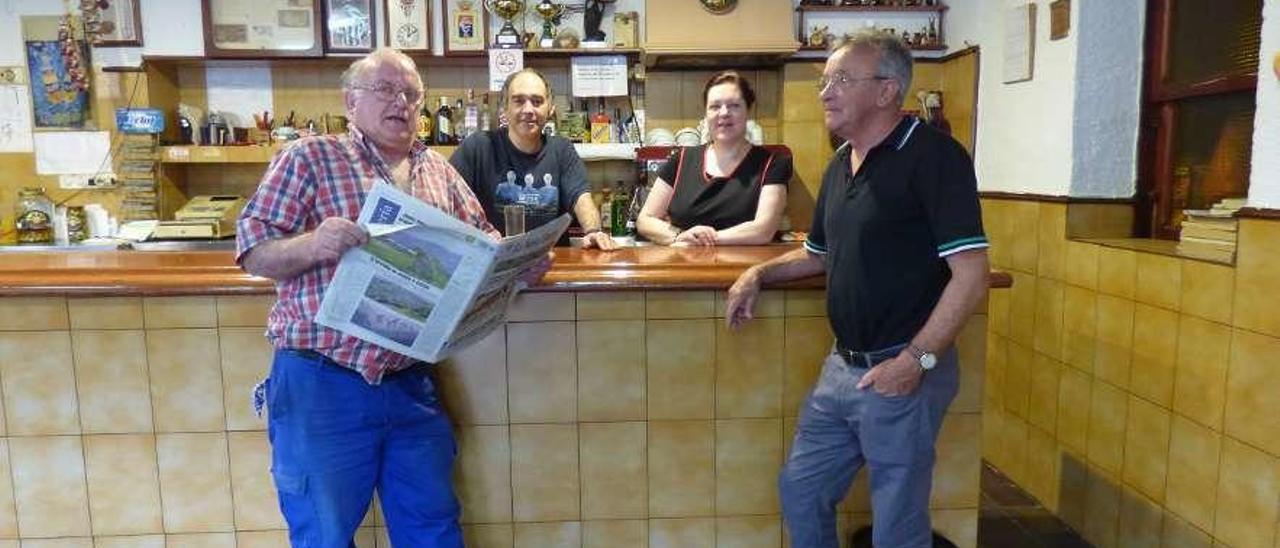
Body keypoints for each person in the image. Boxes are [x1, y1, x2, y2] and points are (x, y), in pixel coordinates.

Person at [236, 48, 548, 547]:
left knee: (433, 530)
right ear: (350, 100)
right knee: (324, 535)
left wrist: (517, 265)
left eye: (410, 93)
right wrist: (313, 243)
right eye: (385, 89)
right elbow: (253, 250)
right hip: (322, 381)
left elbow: (483, 243)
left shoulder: (439, 171)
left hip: (410, 383)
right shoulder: (310, 158)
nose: (400, 102)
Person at [724, 30, 989, 548]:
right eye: (825, 80)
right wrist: (758, 273)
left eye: (841, 79)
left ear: (888, 90)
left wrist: (917, 361)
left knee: (896, 523)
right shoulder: (840, 164)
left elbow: (972, 273)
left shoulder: (935, 157)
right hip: (841, 370)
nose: (825, 91)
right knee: (801, 489)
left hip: (901, 371)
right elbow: (814, 255)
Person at [450, 68, 618, 250]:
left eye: (537, 101)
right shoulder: (477, 148)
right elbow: (446, 199)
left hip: (550, 268)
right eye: (519, 101)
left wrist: (593, 230)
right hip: (493, 267)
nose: (528, 109)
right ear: (504, 109)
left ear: (550, 109)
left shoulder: (562, 150)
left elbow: (580, 197)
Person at [636, 70, 791, 247]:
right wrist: (680, 236)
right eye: (715, 106)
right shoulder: (681, 160)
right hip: (684, 268)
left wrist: (702, 239)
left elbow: (763, 230)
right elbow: (645, 220)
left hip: (746, 270)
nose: (724, 113)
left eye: (734, 105)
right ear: (706, 113)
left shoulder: (772, 164)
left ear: (748, 110)